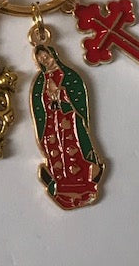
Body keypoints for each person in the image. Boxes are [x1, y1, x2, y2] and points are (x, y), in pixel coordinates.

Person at [31, 44, 105, 209]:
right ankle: (62, 189)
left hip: (69, 122)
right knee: (56, 155)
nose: (45, 60)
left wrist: (61, 93)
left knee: (74, 152)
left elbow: (77, 99)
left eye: (46, 56)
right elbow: (39, 106)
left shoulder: (70, 76)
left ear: (53, 55)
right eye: (41, 59)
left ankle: (84, 187)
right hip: (52, 124)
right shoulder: (40, 81)